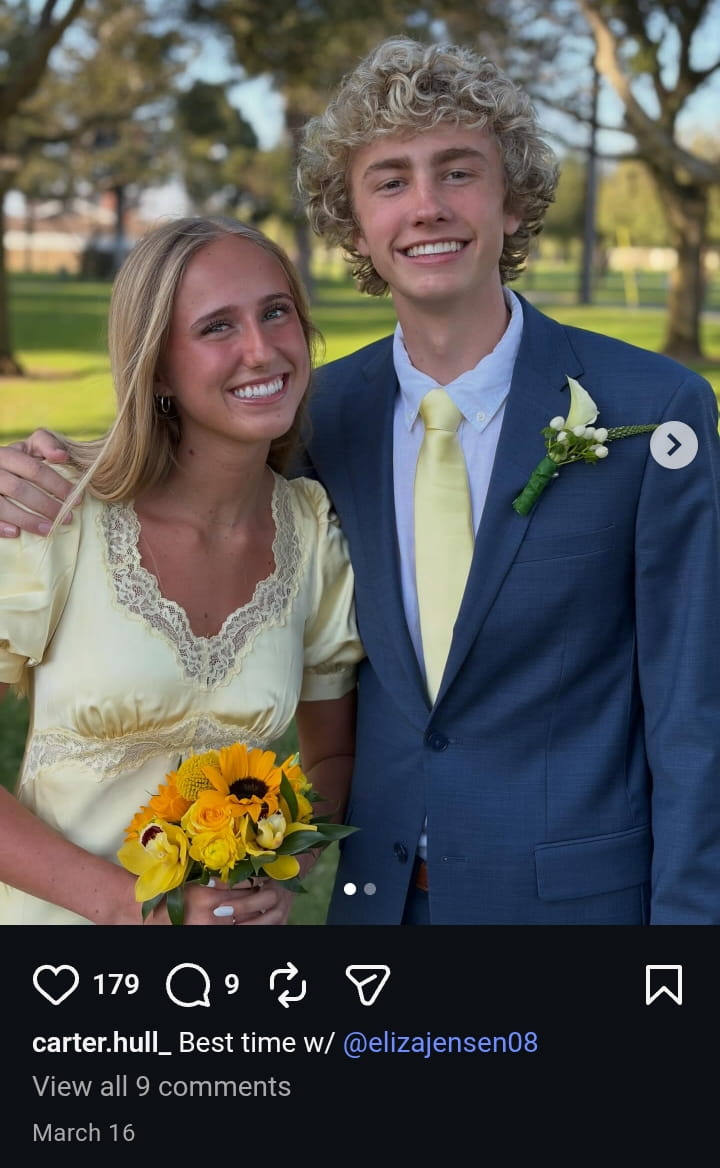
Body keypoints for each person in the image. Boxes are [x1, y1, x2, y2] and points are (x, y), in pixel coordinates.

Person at [2, 37, 720, 925]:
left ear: (513, 196)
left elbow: (695, 715)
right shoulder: (319, 418)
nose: (426, 207)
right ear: (353, 221)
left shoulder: (652, 409)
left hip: (576, 912)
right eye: (390, 181)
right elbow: (172, 470)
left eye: (458, 172)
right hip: (373, 919)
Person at [0, 216, 362, 925]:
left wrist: (281, 870)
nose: (262, 350)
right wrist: (145, 911)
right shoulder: (52, 511)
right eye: (217, 327)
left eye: (276, 312)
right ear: (158, 366)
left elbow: (333, 757)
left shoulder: (313, 534)